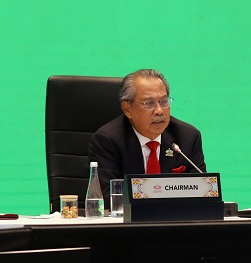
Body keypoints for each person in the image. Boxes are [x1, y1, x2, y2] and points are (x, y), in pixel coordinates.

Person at [88, 69, 206, 197]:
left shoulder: (188, 137)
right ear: (127, 109)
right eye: (149, 103)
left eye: (164, 101)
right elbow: (109, 198)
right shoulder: (108, 141)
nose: (159, 111)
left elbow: (202, 192)